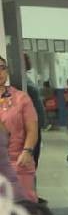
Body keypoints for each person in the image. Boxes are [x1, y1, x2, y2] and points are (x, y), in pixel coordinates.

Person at [0, 56, 39, 201]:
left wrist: (27, 151)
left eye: (2, 68)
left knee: (24, 208)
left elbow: (32, 129)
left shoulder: (21, 98)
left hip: (18, 161)